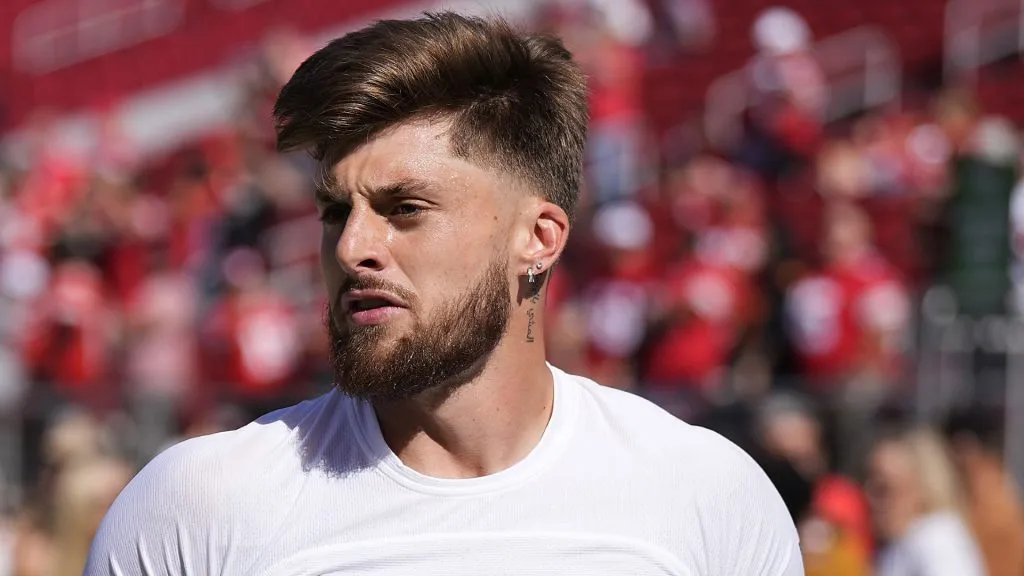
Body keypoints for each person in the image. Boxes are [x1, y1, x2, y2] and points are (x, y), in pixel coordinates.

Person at [85, 12, 802, 575]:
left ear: (540, 238)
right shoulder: (194, 509)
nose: (351, 246)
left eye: (405, 209)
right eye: (337, 211)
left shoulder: (704, 495)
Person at [866, 426, 985, 576]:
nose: (869, 498)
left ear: (923, 488)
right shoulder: (900, 544)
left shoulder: (937, 540)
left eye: (884, 489)